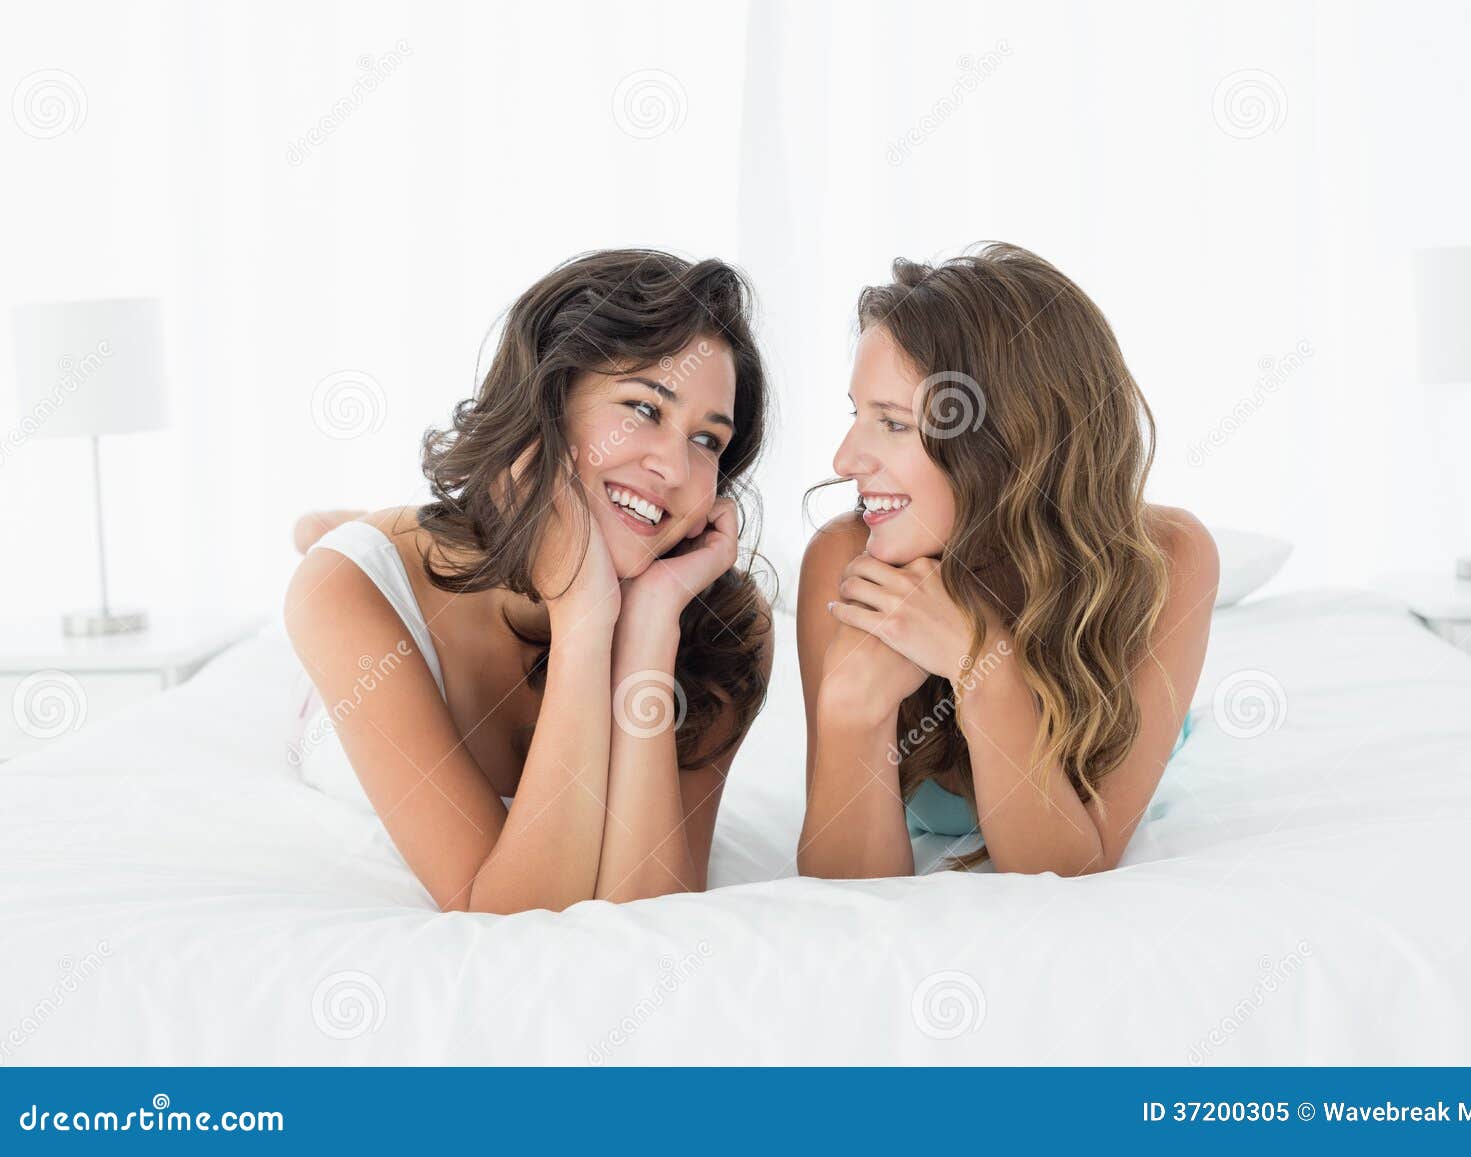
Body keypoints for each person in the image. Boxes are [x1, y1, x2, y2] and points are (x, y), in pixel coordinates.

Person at [284, 249, 774, 914]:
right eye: (644, 407)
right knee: (329, 552)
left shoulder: (725, 629)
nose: (674, 468)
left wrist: (648, 627)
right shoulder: (345, 589)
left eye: (708, 440)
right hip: (371, 618)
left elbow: (654, 913)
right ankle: (326, 524)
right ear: (547, 402)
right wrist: (582, 614)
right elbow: (510, 914)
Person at [797, 243, 1217, 878]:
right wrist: (853, 710)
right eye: (857, 415)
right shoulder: (842, 559)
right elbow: (846, 903)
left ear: (1006, 442)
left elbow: (1069, 872)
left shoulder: (1168, 560)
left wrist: (982, 668)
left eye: (893, 424)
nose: (844, 459)